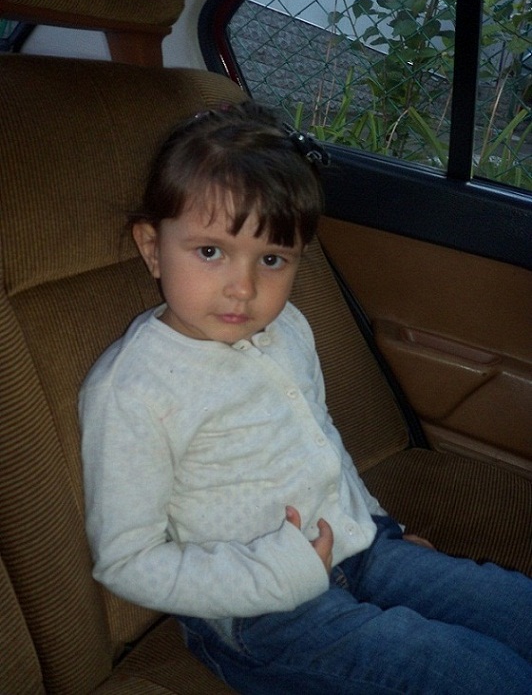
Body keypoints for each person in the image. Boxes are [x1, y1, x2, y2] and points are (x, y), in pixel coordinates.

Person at [79, 102, 532, 694]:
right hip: (261, 612)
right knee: (485, 676)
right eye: (210, 252)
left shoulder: (288, 326)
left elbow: (321, 442)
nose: (243, 288)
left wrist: (376, 524)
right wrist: (279, 574)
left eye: (272, 259)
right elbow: (126, 561)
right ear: (151, 247)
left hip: (358, 547)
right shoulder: (132, 389)